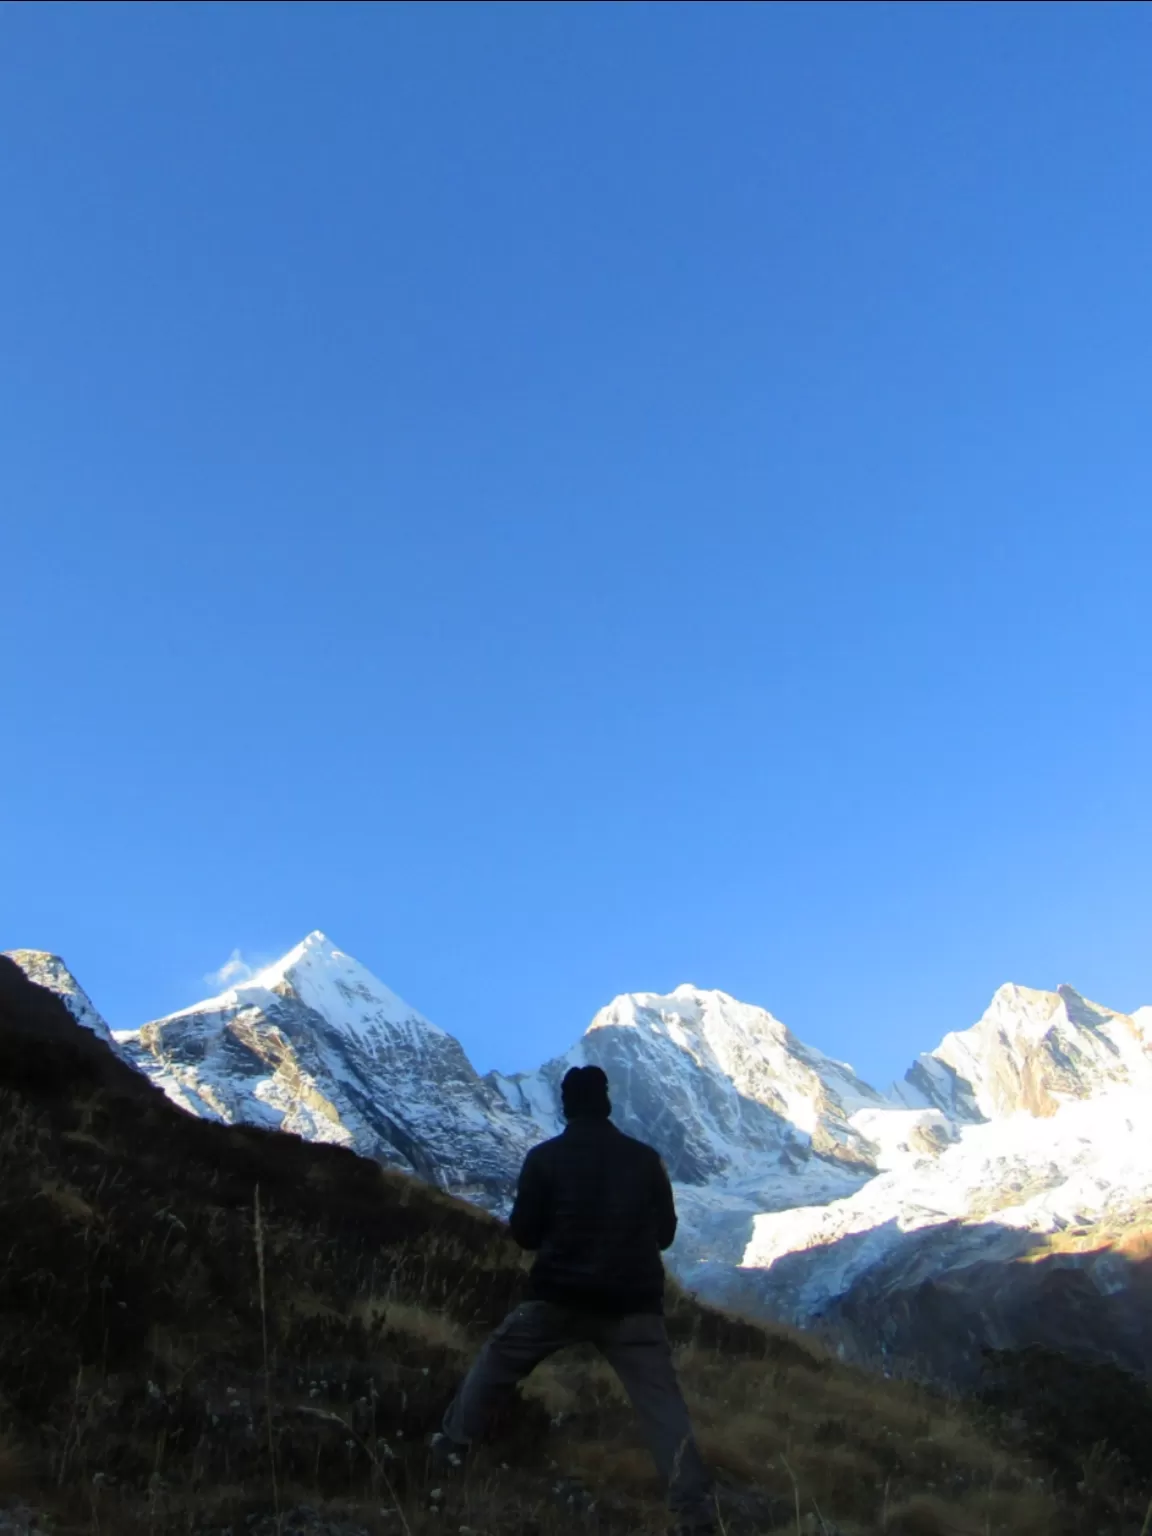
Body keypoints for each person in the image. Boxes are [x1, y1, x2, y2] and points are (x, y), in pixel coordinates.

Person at [432, 1064, 714, 1531]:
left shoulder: (545, 1158)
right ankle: (694, 1510)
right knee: (662, 1406)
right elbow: (664, 1235)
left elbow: (523, 1234)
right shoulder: (645, 1160)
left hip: (558, 1297)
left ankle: (452, 1446)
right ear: (607, 1103)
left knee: (497, 1362)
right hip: (634, 1306)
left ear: (565, 1106)